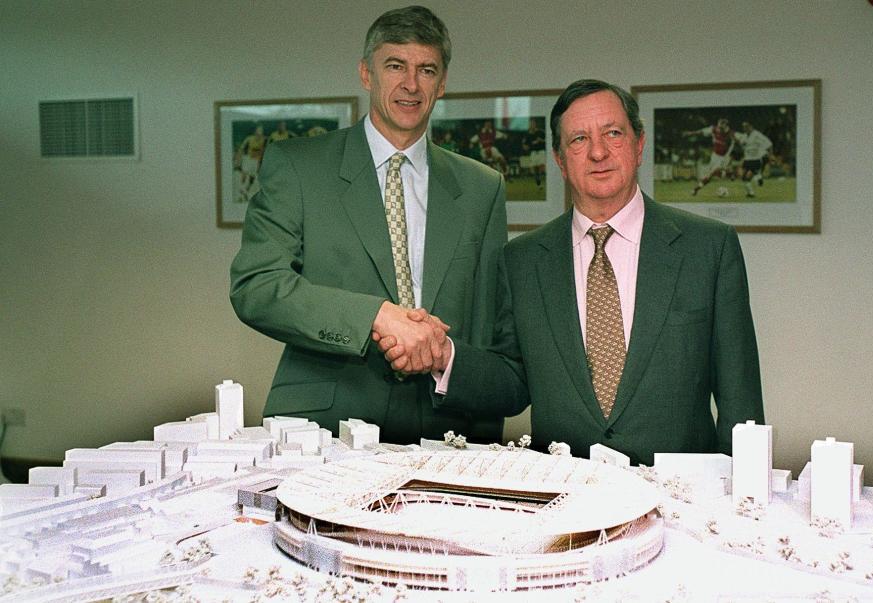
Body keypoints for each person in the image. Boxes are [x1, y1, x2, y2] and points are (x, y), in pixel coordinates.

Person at [381, 80, 764, 465]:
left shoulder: (708, 248)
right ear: (560, 160)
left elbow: (740, 400)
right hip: (566, 496)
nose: (598, 152)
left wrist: (745, 501)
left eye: (613, 133)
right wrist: (443, 355)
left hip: (678, 501)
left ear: (639, 144)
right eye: (579, 139)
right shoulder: (522, 260)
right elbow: (514, 382)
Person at [230, 5, 507, 445]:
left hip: (445, 430)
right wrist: (376, 317)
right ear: (366, 73)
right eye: (395, 65)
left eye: (427, 69)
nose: (411, 84)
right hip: (323, 429)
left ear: (443, 83)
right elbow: (257, 287)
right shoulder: (298, 166)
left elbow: (490, 328)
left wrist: (477, 413)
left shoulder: (482, 187)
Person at [683, 118, 735, 196]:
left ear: (726, 126)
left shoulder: (730, 134)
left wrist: (728, 155)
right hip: (714, 156)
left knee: (714, 173)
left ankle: (696, 189)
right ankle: (729, 173)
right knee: (710, 176)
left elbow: (732, 144)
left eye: (721, 126)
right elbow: (701, 131)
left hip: (724, 157)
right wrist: (691, 133)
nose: (719, 128)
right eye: (719, 126)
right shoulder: (714, 129)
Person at [734, 121, 773, 197]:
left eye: (747, 126)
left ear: (751, 126)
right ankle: (756, 182)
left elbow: (769, 144)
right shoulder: (745, 136)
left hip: (755, 160)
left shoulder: (757, 135)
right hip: (747, 160)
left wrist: (770, 156)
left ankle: (757, 178)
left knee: (747, 177)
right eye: (744, 127)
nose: (745, 128)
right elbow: (742, 143)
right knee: (744, 178)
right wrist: (737, 141)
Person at [233, 124, 266, 202]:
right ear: (255, 131)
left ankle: (245, 190)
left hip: (256, 161)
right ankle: (241, 189)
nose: (260, 132)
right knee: (244, 173)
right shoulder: (249, 138)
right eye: (259, 130)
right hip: (248, 159)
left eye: (261, 131)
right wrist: (238, 156)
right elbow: (242, 147)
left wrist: (260, 162)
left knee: (252, 177)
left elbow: (263, 151)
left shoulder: (264, 139)